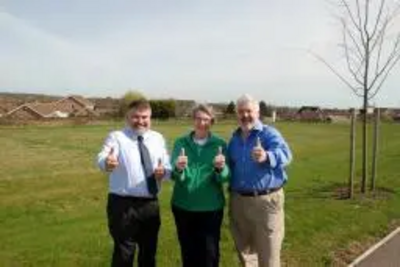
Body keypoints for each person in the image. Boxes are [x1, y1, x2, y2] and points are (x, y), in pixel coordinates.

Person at [96, 99, 171, 267]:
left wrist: (164, 172)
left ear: (150, 117)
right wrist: (107, 162)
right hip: (123, 205)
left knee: (149, 253)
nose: (140, 121)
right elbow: (102, 157)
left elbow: (166, 165)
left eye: (145, 117)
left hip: (150, 204)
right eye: (135, 117)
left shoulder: (158, 138)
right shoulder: (117, 137)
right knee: (124, 254)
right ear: (127, 118)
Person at [227, 94, 292, 267]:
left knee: (269, 255)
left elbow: (286, 155)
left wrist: (266, 156)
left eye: (249, 111)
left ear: (257, 112)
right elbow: (228, 168)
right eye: (241, 111)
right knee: (246, 254)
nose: (245, 115)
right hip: (239, 202)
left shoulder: (268, 134)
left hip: (265, 202)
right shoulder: (234, 139)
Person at [170, 104, 230, 267]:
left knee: (210, 253)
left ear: (212, 121)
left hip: (210, 208)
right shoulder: (180, 143)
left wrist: (220, 168)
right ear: (193, 120)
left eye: (205, 119)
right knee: (188, 251)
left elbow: (225, 177)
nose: (201, 123)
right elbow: (174, 175)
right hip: (183, 206)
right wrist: (179, 168)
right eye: (198, 118)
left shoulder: (220, 144)